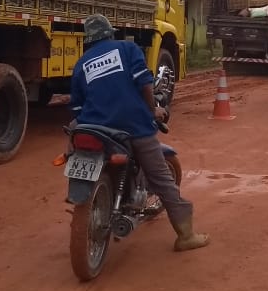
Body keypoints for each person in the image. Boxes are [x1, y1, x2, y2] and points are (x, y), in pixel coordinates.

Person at [69, 15, 209, 252]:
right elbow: (145, 83)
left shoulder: (81, 63)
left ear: (89, 40)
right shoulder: (127, 48)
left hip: (93, 129)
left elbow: (76, 106)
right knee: (162, 179)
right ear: (110, 33)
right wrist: (153, 108)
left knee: (75, 139)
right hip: (131, 126)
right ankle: (186, 235)